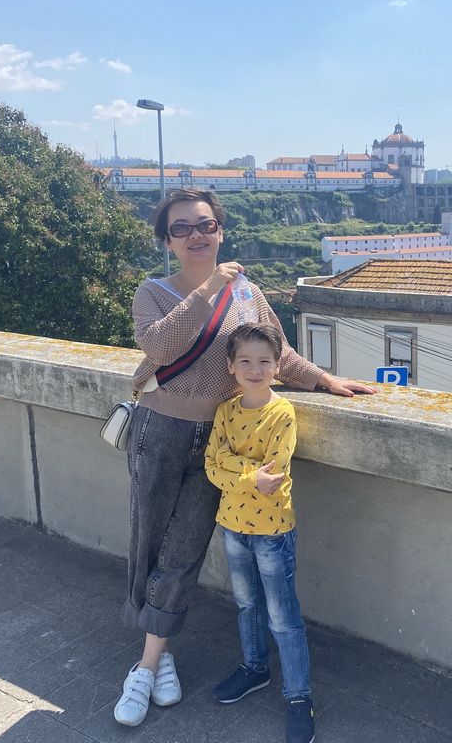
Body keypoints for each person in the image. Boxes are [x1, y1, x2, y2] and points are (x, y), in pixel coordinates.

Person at [114, 189, 374, 727]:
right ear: (167, 240)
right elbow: (160, 348)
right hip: (160, 431)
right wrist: (210, 287)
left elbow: (278, 351)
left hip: (222, 440)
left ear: (220, 231)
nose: (195, 236)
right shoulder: (154, 292)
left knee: (183, 549)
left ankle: (149, 662)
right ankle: (156, 659)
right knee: (149, 541)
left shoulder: (248, 294)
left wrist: (324, 379)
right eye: (181, 228)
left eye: (205, 226)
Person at [205, 323, 314, 743]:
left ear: (278, 366)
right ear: (231, 366)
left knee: (283, 618)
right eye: (245, 361)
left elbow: (276, 471)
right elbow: (212, 466)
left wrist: (238, 471)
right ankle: (255, 668)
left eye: (264, 361)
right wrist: (250, 476)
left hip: (271, 530)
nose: (255, 369)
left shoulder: (281, 412)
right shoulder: (226, 411)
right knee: (247, 604)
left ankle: (298, 695)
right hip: (231, 525)